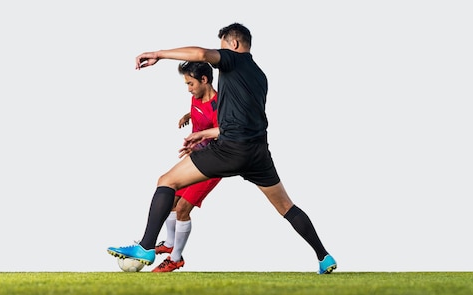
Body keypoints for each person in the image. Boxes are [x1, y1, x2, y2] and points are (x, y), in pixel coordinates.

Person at [108, 22, 337, 274]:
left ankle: (146, 247)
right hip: (259, 153)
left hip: (230, 150)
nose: (220, 53)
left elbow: (202, 55)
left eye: (223, 46)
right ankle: (324, 256)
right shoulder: (260, 76)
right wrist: (205, 132)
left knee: (166, 181)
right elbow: (239, 117)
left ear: (234, 44)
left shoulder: (233, 60)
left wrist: (159, 54)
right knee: (286, 207)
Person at [152, 61, 221, 273]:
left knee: (182, 209)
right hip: (195, 159)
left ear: (204, 80)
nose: (189, 89)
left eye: (191, 84)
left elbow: (223, 131)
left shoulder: (220, 106)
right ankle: (170, 243)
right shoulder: (196, 98)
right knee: (170, 197)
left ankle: (176, 258)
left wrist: (199, 144)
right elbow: (200, 112)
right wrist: (188, 115)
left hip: (213, 164)